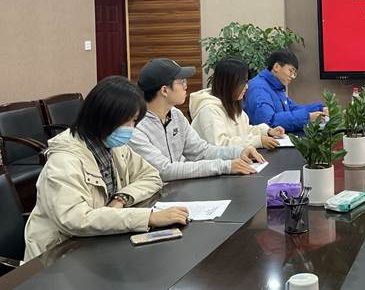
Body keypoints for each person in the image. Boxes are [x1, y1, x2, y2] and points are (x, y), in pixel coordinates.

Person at [24, 76, 188, 261]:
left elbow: (151, 176)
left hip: (98, 241)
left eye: (134, 121)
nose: (131, 129)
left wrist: (120, 199)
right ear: (102, 117)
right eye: (127, 121)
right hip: (58, 255)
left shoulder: (113, 146)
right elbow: (75, 219)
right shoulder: (64, 160)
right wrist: (148, 218)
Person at [130, 58, 265, 181]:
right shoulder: (135, 126)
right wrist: (225, 166)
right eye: (181, 81)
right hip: (154, 195)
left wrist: (239, 152)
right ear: (164, 90)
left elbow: (201, 151)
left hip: (178, 188)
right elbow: (165, 170)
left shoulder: (176, 115)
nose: (186, 86)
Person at [190, 57, 285, 149]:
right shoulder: (209, 110)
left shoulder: (232, 103)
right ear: (229, 83)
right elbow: (219, 145)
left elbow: (244, 131)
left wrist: (267, 131)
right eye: (243, 82)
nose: (247, 87)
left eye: (247, 82)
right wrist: (258, 141)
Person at [245, 50, 326, 133]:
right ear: (276, 67)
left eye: (294, 73)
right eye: (291, 71)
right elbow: (267, 123)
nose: (292, 76)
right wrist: (307, 117)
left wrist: (320, 109)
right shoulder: (258, 88)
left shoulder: (276, 86)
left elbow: (292, 108)